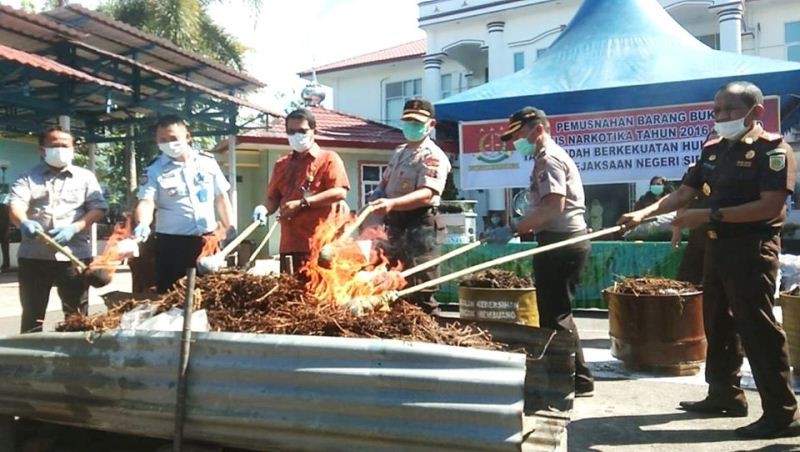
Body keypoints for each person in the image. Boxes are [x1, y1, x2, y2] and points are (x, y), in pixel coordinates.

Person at [618, 81, 799, 439]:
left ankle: (782, 412)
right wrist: (645, 214)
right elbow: (684, 193)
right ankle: (724, 394)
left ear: (755, 112)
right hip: (715, 248)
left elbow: (770, 206)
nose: (720, 116)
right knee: (717, 322)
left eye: (729, 110)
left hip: (751, 248)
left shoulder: (773, 150)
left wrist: (707, 216)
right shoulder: (714, 149)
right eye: (716, 110)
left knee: (757, 327)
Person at [485, 106, 594, 397]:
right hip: (559, 239)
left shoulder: (549, 159)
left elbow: (553, 207)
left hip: (562, 242)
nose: (516, 142)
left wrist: (513, 229)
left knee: (556, 315)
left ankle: (567, 380)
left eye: (519, 134)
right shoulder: (543, 158)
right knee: (555, 313)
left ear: (538, 129)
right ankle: (577, 378)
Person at [8, 127, 108, 333]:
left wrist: (75, 227)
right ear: (42, 149)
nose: (60, 149)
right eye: (54, 145)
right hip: (34, 257)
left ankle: (76, 351)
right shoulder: (27, 177)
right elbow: (16, 205)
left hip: (74, 258)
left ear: (73, 149)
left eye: (65, 145)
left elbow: (98, 208)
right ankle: (31, 351)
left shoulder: (85, 177)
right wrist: (23, 222)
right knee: (32, 314)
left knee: (77, 316)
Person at [134, 115, 235, 293]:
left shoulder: (207, 162)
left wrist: (230, 226)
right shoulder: (153, 170)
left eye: (173, 138)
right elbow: (147, 202)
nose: (168, 144)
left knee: (210, 295)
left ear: (188, 137)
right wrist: (143, 223)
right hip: (172, 246)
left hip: (207, 243)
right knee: (172, 297)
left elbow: (221, 198)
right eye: (162, 140)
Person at [368, 98, 451, 314]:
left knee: (419, 288)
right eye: (408, 121)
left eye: (417, 122)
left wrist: (392, 203)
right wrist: (378, 193)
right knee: (392, 286)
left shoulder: (433, 156)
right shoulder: (400, 152)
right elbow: (385, 182)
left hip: (420, 227)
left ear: (431, 125)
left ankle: (431, 330)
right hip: (396, 226)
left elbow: (427, 194)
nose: (411, 126)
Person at [252, 108, 350, 275]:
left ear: (314, 131)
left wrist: (303, 203)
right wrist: (263, 209)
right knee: (289, 290)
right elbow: (272, 198)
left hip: (319, 246)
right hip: (289, 245)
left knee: (317, 290)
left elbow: (339, 192)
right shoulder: (282, 164)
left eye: (302, 131)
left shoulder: (328, 159)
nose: (297, 135)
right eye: (291, 131)